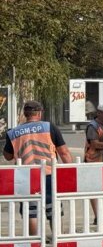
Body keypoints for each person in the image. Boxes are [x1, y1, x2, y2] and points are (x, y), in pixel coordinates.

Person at [3, 100, 73, 236]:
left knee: (31, 211)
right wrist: (69, 172)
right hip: (48, 174)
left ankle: (35, 244)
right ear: (39, 113)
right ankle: (57, 241)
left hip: (26, 176)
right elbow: (64, 152)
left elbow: (7, 156)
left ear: (25, 114)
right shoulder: (49, 127)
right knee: (53, 209)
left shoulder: (13, 132)